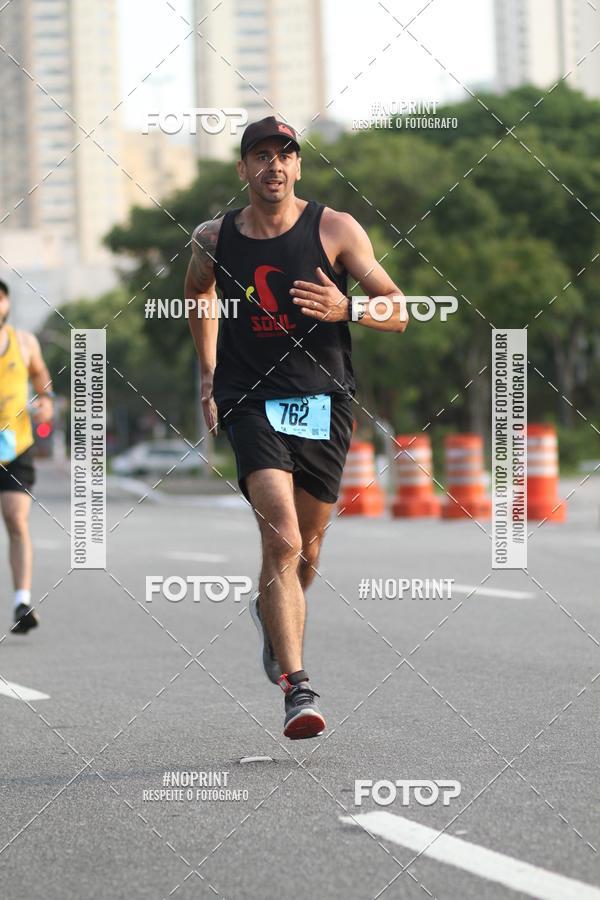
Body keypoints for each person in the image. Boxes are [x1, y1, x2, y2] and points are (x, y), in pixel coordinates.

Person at [185, 116, 407, 739]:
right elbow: (197, 293)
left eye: (285, 155)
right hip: (249, 398)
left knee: (307, 550)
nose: (273, 166)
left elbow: (400, 309)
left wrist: (350, 307)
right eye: (260, 155)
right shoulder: (213, 237)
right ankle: (297, 687)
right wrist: (208, 374)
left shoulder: (334, 228)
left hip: (324, 400)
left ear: (298, 166)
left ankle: (269, 613)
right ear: (243, 169)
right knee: (280, 538)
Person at [0, 280, 54, 634]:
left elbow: (42, 382)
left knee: (16, 521)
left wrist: (46, 404)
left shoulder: (24, 342)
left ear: (5, 303)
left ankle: (22, 601)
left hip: (15, 446)